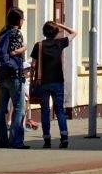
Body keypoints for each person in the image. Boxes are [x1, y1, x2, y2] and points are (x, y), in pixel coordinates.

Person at [30, 20, 76, 148]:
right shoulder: (60, 43)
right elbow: (74, 33)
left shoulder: (38, 45)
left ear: (44, 32)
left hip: (43, 82)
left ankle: (47, 139)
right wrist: (59, 25)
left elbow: (33, 64)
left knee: (45, 111)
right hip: (57, 81)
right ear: (56, 32)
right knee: (60, 110)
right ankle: (64, 137)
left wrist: (33, 76)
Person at [0, 7, 29, 150]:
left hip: (2, 76)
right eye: (23, 19)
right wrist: (24, 48)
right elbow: (14, 52)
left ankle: (1, 141)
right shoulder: (16, 33)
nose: (23, 22)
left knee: (1, 110)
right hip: (15, 75)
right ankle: (16, 141)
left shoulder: (2, 32)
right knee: (19, 108)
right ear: (19, 21)